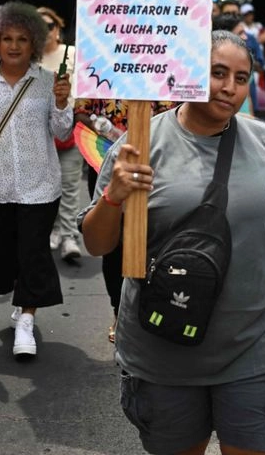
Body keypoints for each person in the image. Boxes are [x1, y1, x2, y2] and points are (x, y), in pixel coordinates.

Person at [81, 30, 265, 455]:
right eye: (217, 73)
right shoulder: (140, 144)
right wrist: (113, 196)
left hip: (256, 347)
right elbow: (98, 244)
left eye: (241, 78)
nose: (230, 88)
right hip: (163, 350)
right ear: (188, 72)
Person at [0, 1, 73, 359]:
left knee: (33, 252)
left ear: (34, 42)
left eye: (22, 38)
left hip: (41, 185)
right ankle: (20, 298)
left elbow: (62, 130)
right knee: (7, 256)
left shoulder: (48, 81)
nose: (14, 45)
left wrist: (61, 103)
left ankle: (26, 319)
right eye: (6, 37)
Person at [73, 97, 176, 344]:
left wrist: (143, 135)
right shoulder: (102, 67)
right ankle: (120, 309)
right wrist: (108, 132)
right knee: (114, 238)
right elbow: (80, 112)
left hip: (156, 156)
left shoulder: (163, 69)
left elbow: (171, 110)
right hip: (104, 155)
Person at [36, 6, 83, 263]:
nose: (45, 32)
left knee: (68, 185)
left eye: (50, 26)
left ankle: (69, 237)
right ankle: (55, 229)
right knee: (46, 187)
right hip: (39, 134)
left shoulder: (73, 54)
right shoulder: (29, 59)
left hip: (70, 130)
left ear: (58, 29)